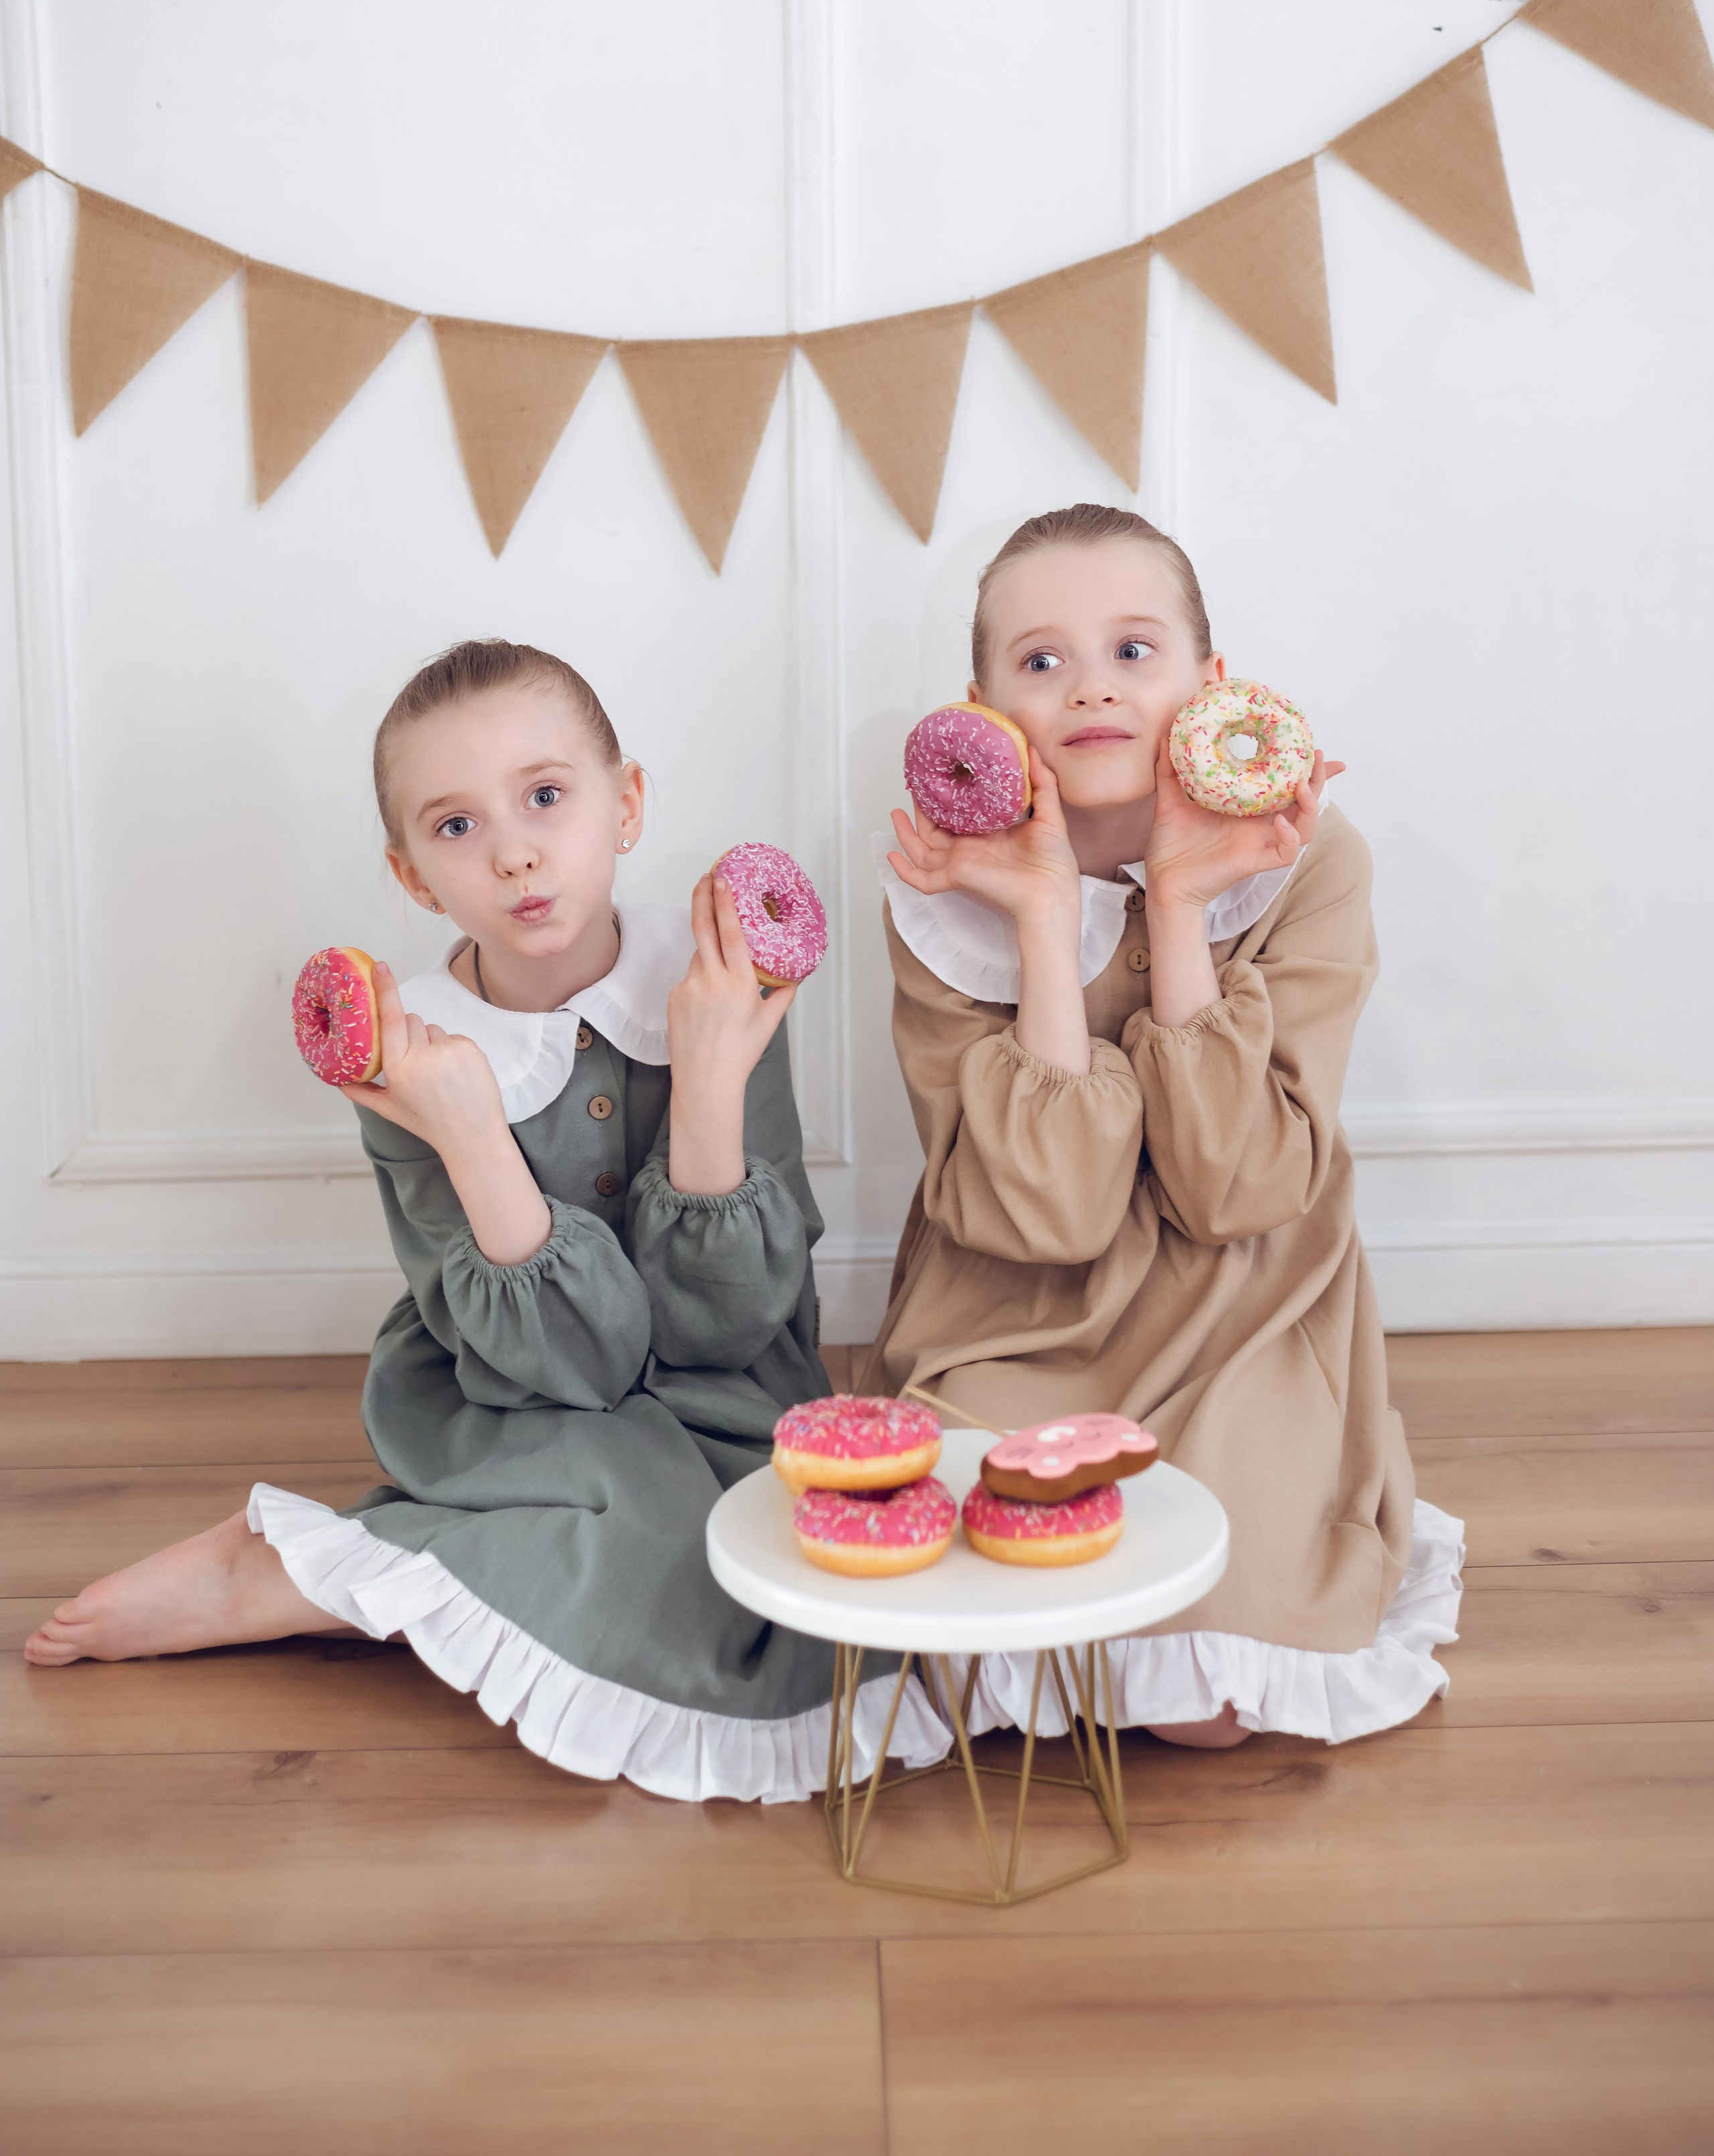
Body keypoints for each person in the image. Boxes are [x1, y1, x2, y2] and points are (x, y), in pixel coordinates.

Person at [26, 639, 945, 1801]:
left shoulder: (719, 981)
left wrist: (711, 1081)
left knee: (773, 1565)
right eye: (456, 826)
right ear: (413, 877)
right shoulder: (407, 1053)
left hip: (728, 1377)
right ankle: (270, 1578)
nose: (513, 853)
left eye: (546, 797)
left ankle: (330, 1574)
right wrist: (466, 1129)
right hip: (519, 1391)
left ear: (627, 805)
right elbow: (579, 1370)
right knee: (644, 1522)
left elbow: (726, 1327)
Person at [867, 503, 1462, 1746]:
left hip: (1246, 1296)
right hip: (1020, 1305)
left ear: (1209, 680)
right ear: (981, 708)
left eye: (1134, 651)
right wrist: (1043, 923)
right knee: (987, 1617)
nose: (1092, 687)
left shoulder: (1308, 859)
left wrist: (1182, 907)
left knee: (1217, 1689)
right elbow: (1050, 1218)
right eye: (1042, 661)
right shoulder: (943, 886)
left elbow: (1236, 1191)